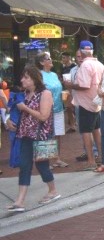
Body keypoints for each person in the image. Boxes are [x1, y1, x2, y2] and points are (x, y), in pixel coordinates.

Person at [5, 66, 61, 212]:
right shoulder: (23, 94)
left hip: (42, 136)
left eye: (26, 77)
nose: (22, 80)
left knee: (42, 166)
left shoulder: (45, 93)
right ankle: (19, 201)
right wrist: (9, 120)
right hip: (24, 135)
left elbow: (43, 116)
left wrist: (26, 108)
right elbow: (13, 112)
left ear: (34, 79)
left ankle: (53, 190)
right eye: (22, 77)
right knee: (24, 166)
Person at [63, 41, 104, 170]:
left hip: (86, 104)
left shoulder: (86, 65)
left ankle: (91, 161)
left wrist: (69, 85)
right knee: (96, 130)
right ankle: (101, 157)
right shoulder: (99, 64)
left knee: (86, 132)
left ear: (81, 51)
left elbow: (84, 85)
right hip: (96, 102)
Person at [35, 52, 68, 169]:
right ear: (41, 62)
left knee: (58, 133)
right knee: (47, 134)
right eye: (48, 59)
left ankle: (57, 158)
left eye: (50, 58)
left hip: (58, 107)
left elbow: (58, 88)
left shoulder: (54, 74)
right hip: (46, 109)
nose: (51, 60)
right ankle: (46, 161)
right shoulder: (39, 75)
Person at [59, 52, 76, 132]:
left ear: (69, 58)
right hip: (64, 89)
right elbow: (61, 77)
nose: (62, 59)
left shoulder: (74, 67)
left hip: (73, 89)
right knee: (67, 107)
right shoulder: (63, 67)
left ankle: (74, 122)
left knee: (73, 106)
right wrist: (61, 80)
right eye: (62, 58)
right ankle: (72, 125)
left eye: (64, 57)